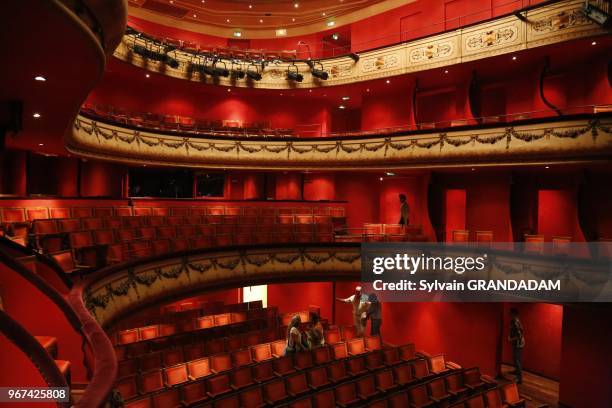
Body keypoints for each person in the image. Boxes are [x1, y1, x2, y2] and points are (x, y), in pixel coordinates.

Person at [508, 308, 525, 384]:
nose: (510, 314)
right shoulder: (516, 321)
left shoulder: (515, 322)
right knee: (517, 359)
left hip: (518, 343)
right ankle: (516, 372)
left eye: (511, 313)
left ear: (514, 314)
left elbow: (519, 335)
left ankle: (520, 379)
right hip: (518, 343)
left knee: (517, 360)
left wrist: (511, 339)